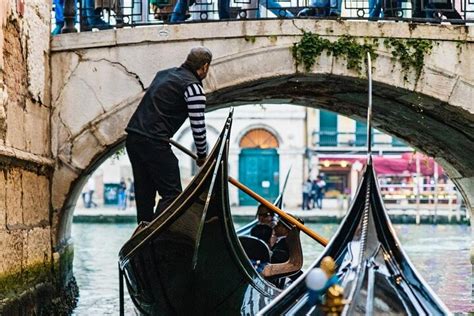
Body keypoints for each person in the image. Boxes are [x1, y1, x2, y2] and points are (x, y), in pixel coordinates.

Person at [125, 47, 212, 223]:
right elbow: (198, 126)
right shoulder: (193, 88)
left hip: (133, 138)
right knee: (172, 195)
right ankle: (160, 237)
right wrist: (202, 155)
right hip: (154, 142)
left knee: (145, 193)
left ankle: (144, 231)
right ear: (205, 66)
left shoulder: (163, 74)